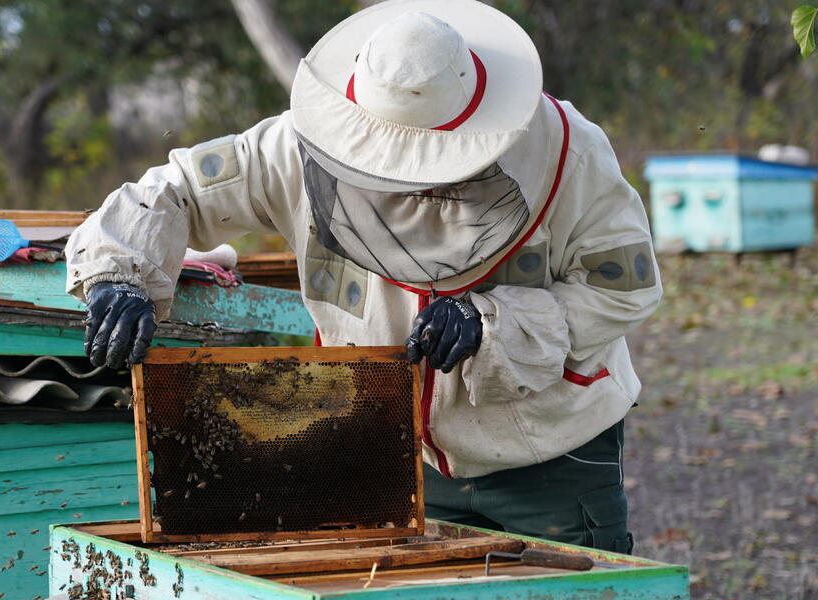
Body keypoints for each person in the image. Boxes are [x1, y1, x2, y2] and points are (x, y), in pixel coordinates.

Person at [66, 0, 662, 554]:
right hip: (386, 450)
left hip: (550, 451)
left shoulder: (570, 152)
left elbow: (623, 288)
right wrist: (120, 274)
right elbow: (176, 190)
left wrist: (494, 324)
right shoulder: (290, 147)